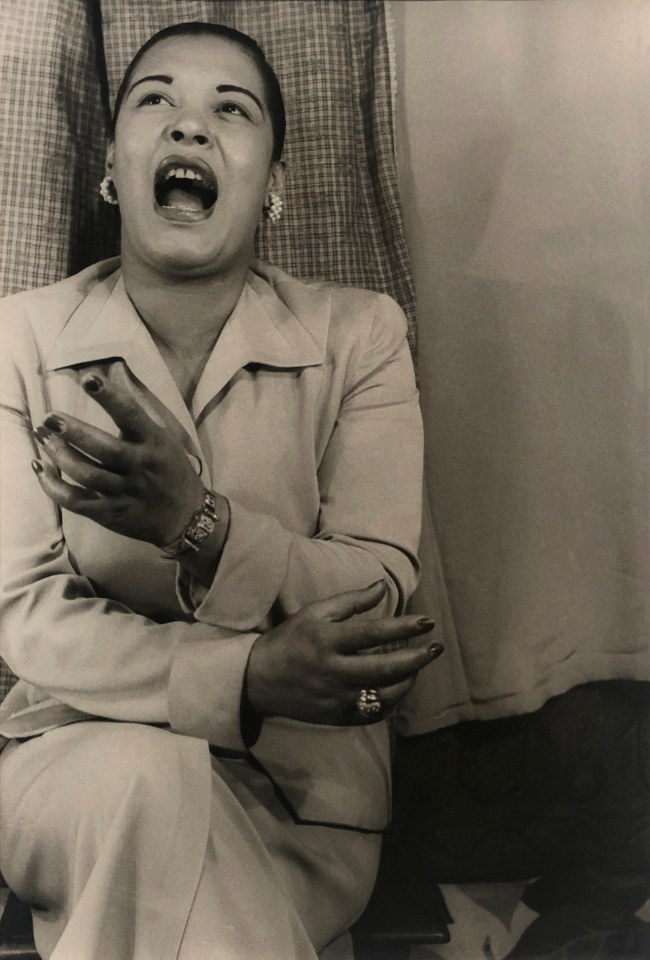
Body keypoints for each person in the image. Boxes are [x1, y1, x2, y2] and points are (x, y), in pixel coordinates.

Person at [0, 21, 441, 960]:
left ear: (274, 183)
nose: (189, 127)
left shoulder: (363, 336)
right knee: (146, 782)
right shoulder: (17, 340)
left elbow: (377, 599)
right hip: (76, 767)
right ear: (113, 169)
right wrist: (248, 672)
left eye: (229, 111)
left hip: (302, 799)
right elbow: (25, 614)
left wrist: (196, 527)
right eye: (154, 99)